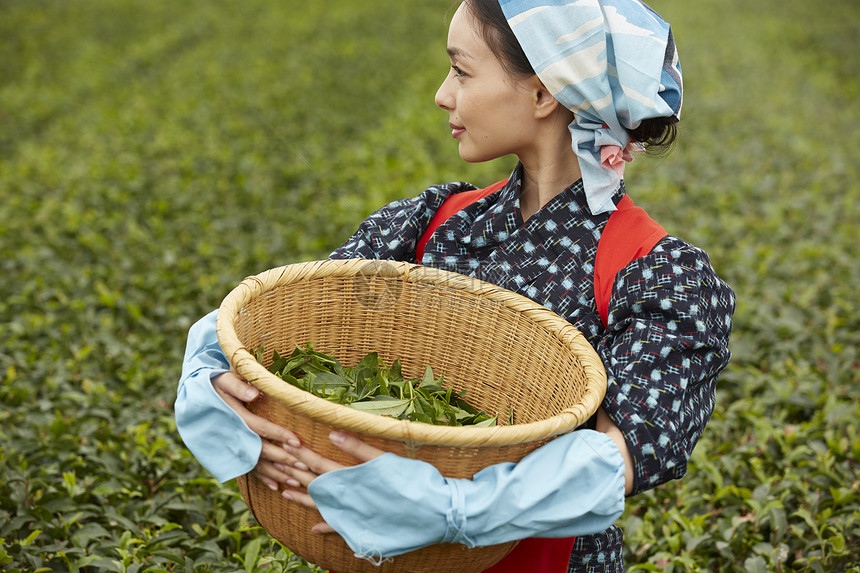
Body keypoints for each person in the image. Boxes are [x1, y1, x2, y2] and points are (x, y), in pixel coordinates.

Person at [175, 1, 735, 571]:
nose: (444, 95)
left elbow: (624, 456)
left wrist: (456, 508)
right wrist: (216, 383)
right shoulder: (434, 222)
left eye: (462, 71)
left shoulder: (655, 274)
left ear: (544, 93)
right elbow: (283, 317)